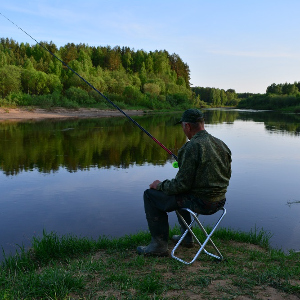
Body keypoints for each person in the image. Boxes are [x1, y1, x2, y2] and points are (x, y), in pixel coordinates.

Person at [137, 109, 232, 256]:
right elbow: (224, 175)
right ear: (202, 123)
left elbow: (180, 185)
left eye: (182, 126)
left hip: (202, 204)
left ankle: (158, 246)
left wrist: (159, 185)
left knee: (150, 195)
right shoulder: (221, 145)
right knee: (181, 193)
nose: (183, 130)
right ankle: (186, 237)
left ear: (187, 126)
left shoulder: (191, 147)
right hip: (219, 202)